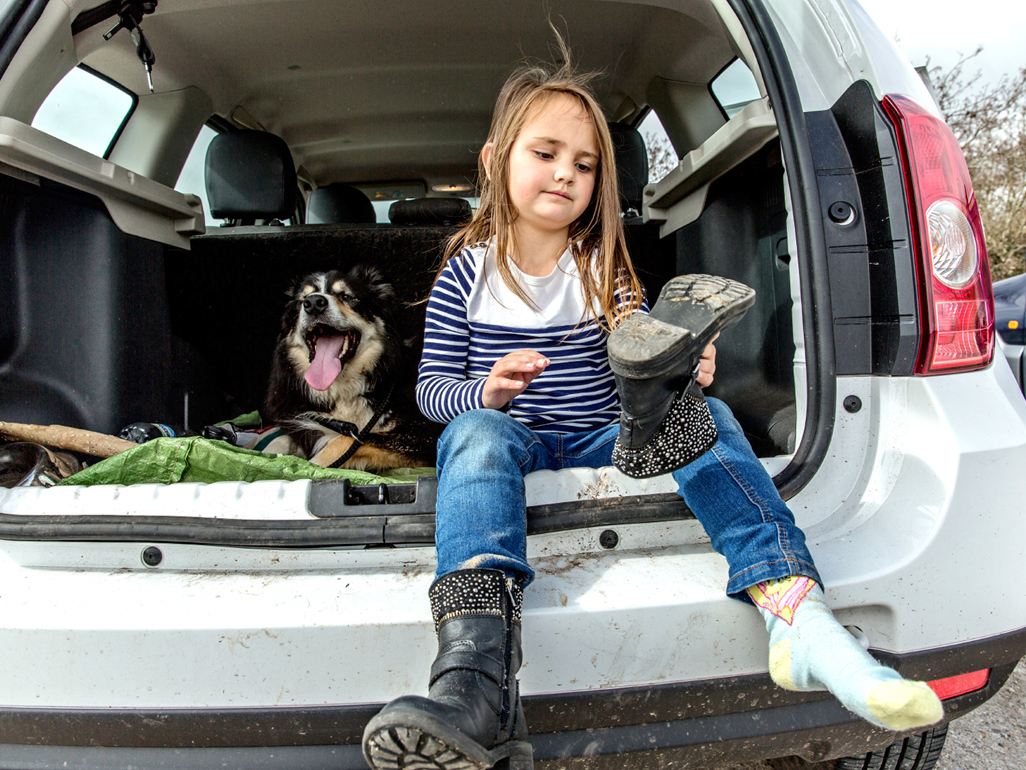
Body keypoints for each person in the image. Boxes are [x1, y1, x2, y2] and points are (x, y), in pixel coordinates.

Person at [361, 52, 943, 770]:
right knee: (474, 435)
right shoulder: (463, 278)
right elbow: (432, 393)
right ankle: (474, 678)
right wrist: (487, 391)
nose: (566, 174)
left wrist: (679, 370)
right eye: (545, 153)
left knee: (709, 418)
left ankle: (799, 613)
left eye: (584, 163)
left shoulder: (602, 269)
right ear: (493, 161)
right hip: (515, 443)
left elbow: (641, 362)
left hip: (609, 439)